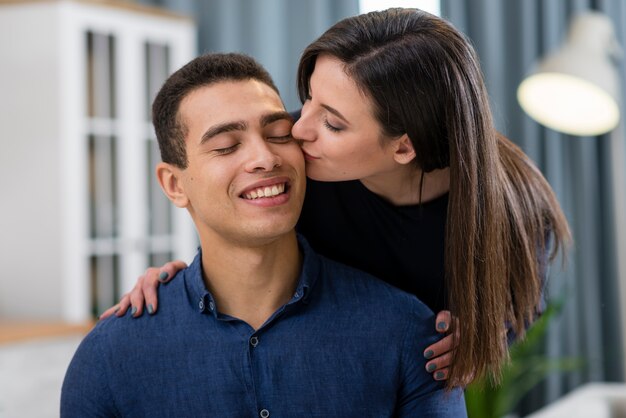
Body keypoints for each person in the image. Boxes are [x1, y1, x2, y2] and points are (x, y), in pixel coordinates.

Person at [101, 8, 570, 386]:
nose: (296, 130)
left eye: (333, 122)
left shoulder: (516, 214)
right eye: (307, 98)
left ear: (403, 146)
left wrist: (484, 336)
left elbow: (519, 307)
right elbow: (231, 218)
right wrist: (186, 281)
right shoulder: (294, 152)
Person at [61, 52, 466, 417]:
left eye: (278, 134)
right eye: (225, 146)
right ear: (174, 185)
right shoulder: (111, 355)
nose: (265, 157)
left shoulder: (409, 334)